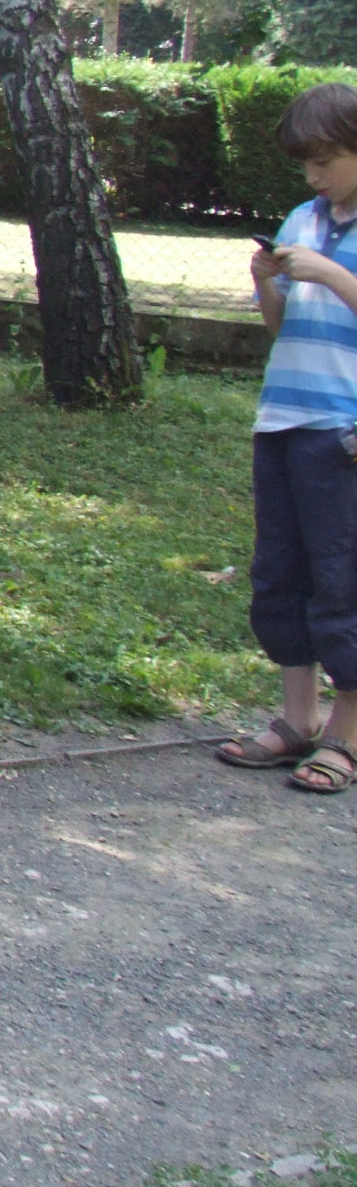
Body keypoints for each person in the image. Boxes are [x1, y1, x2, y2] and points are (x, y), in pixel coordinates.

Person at [217, 83, 357, 787]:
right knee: (280, 573)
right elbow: (279, 326)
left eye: (325, 161)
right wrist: (267, 281)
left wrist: (330, 273)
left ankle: (346, 735)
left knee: (342, 577)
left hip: (344, 430)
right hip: (282, 420)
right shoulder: (302, 219)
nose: (312, 176)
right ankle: (297, 720)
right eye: (304, 164)